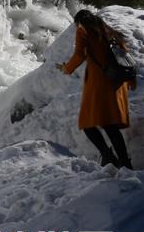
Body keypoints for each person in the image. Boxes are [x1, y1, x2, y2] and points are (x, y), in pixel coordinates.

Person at [58, 9, 135, 169]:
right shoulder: (108, 30)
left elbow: (79, 55)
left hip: (99, 83)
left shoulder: (83, 30)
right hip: (116, 83)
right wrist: (131, 80)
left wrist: (66, 69)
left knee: (87, 123)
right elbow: (124, 55)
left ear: (79, 22)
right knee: (110, 125)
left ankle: (109, 157)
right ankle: (124, 163)